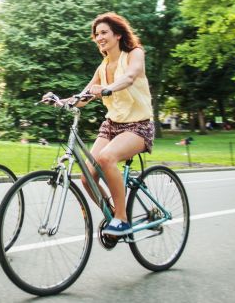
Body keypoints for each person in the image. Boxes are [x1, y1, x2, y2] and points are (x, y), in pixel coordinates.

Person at [43, 12, 154, 236]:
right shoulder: (103, 66)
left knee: (106, 158)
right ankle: (113, 214)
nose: (99, 37)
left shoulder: (134, 54)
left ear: (118, 34)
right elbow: (84, 96)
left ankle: (123, 220)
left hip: (138, 126)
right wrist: (61, 102)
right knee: (87, 177)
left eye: (104, 32)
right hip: (112, 125)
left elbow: (130, 77)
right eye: (96, 34)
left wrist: (107, 88)